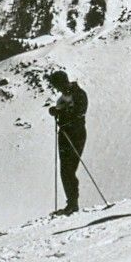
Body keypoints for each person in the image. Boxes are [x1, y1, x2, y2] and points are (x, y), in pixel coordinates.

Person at [48, 70, 88, 216]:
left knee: (68, 169)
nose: (57, 89)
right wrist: (56, 111)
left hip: (75, 134)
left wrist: (59, 113)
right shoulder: (66, 96)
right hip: (66, 134)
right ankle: (71, 203)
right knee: (65, 170)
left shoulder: (79, 94)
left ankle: (72, 204)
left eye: (57, 85)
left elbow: (79, 113)